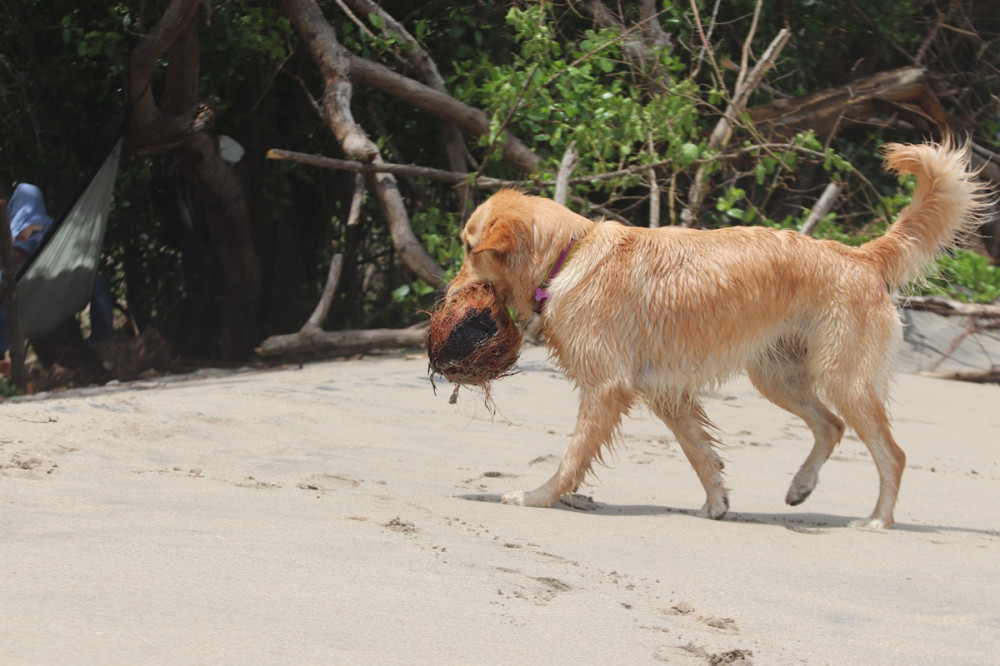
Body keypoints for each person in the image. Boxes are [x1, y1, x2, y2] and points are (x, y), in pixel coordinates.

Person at [1, 183, 114, 375]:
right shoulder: (11, 240)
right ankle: (4, 360)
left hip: (52, 297)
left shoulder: (49, 233)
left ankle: (105, 346)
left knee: (98, 283)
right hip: (27, 306)